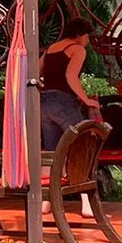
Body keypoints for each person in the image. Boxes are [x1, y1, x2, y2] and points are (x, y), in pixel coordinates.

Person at [38, 16, 98, 150]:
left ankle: (55, 172)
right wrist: (86, 100)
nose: (88, 41)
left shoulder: (51, 48)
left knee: (54, 153)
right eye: (87, 36)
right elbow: (71, 75)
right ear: (78, 35)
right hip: (63, 102)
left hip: (45, 104)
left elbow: (37, 70)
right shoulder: (77, 49)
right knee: (81, 145)